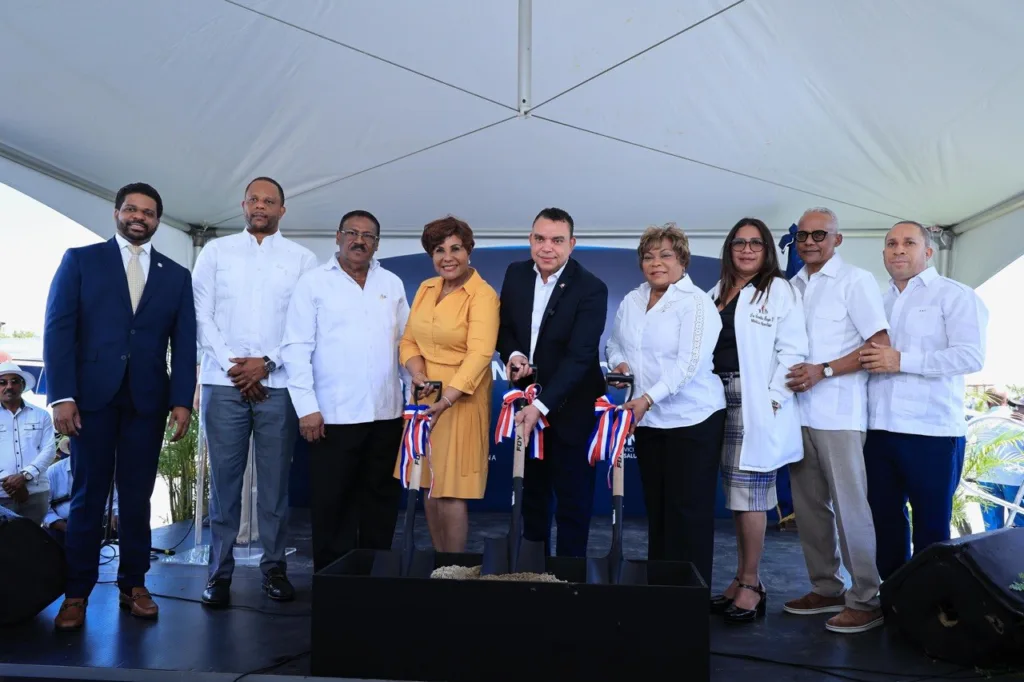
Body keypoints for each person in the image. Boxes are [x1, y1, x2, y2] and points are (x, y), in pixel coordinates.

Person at [44, 182, 196, 630]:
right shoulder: (81, 260)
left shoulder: (176, 275)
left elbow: (184, 343)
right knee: (87, 496)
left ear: (157, 220)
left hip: (146, 401)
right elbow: (58, 329)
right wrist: (62, 396)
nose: (139, 217)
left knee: (136, 496)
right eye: (131, 209)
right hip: (89, 400)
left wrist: (181, 401)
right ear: (116, 213)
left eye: (148, 212)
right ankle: (76, 592)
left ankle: (134, 585)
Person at [191, 177, 318, 607]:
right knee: (224, 485)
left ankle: (274, 568)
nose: (261, 206)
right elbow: (202, 315)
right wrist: (235, 366)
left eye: (269, 201)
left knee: (274, 485)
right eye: (254, 200)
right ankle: (219, 574)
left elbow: (303, 325)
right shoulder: (215, 252)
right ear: (243, 205)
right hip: (222, 382)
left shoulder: (302, 259)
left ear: (282, 209)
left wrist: (265, 364)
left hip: (277, 385)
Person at [281, 210, 409, 572]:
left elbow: (406, 346)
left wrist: (414, 401)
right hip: (331, 418)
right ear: (338, 237)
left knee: (380, 505)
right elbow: (295, 348)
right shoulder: (313, 283)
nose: (359, 241)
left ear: (377, 244)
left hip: (386, 415)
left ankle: (375, 579)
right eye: (352, 233)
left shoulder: (391, 283)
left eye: (368, 236)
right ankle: (333, 584)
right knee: (332, 506)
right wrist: (306, 408)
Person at [860, 221, 988, 577]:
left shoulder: (955, 295)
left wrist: (902, 361)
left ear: (928, 252)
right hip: (878, 430)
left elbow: (970, 356)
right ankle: (893, 596)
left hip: (932, 433)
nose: (898, 249)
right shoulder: (877, 303)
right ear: (883, 253)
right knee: (883, 523)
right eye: (891, 243)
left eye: (909, 242)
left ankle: (931, 605)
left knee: (932, 530)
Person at [783, 207, 890, 634]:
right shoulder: (791, 286)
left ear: (837, 239)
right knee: (808, 509)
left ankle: (866, 598)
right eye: (803, 236)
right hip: (797, 414)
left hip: (840, 414)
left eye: (819, 235)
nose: (810, 242)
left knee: (850, 509)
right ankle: (826, 588)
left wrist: (823, 370)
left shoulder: (855, 281)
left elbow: (878, 345)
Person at [605, 223, 725, 586]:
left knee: (688, 515)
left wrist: (646, 398)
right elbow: (614, 345)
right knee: (658, 512)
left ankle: (690, 597)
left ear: (682, 261)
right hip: (650, 423)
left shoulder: (696, 303)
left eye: (665, 255)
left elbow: (688, 365)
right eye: (648, 256)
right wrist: (619, 365)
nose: (656, 262)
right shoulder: (632, 300)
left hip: (693, 420)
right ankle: (661, 592)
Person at [706, 218, 808, 624]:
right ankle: (742, 578)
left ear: (767, 250)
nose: (747, 250)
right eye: (739, 243)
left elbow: (793, 350)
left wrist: (772, 400)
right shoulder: (716, 292)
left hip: (754, 401)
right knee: (737, 494)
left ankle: (751, 584)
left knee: (751, 495)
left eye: (756, 243)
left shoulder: (778, 290)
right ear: (729, 248)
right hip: (716, 399)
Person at [496, 207, 608, 558]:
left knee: (573, 503)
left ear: (571, 244)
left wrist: (540, 407)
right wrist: (514, 354)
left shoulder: (592, 288)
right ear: (530, 239)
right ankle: (533, 572)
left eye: (557, 240)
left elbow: (580, 357)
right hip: (526, 404)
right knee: (532, 497)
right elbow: (504, 329)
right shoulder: (515, 274)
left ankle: (569, 578)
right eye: (540, 238)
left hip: (571, 409)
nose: (547, 247)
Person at [395, 217, 499, 552]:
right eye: (439, 250)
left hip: (460, 399)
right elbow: (408, 341)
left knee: (450, 490)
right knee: (427, 482)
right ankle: (440, 563)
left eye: (456, 248)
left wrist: (448, 399)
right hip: (426, 395)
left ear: (469, 251)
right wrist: (418, 374)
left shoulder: (483, 295)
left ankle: (455, 570)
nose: (448, 257)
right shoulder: (427, 288)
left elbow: (480, 354)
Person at [0, 361, 55, 524]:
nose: (9, 386)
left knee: (32, 538)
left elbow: (49, 450)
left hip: (36, 493)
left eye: (14, 381)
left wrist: (24, 476)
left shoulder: (41, 415)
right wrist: (10, 483)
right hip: (1, 493)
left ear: (23, 386)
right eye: (2, 382)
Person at [44, 437, 119, 547]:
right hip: (61, 526)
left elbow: (113, 500)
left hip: (96, 523)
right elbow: (44, 509)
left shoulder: (102, 469)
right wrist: (64, 527)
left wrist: (114, 513)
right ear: (70, 448)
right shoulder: (53, 471)